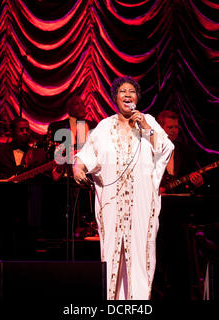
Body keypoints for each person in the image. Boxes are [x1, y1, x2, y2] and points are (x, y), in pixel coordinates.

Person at [73, 76, 174, 300]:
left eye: (132, 92)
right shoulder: (104, 127)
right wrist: (77, 168)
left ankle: (138, 304)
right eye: (122, 92)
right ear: (115, 98)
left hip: (141, 203)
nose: (127, 95)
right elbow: (86, 154)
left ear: (137, 98)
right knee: (111, 255)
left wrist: (146, 128)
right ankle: (112, 303)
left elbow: (165, 148)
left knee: (140, 255)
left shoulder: (148, 121)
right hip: (112, 205)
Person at [46, 96, 97, 181]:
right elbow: (51, 154)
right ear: (68, 109)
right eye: (76, 104)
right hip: (64, 179)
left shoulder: (94, 126)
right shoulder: (56, 127)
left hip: (89, 178)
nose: (81, 106)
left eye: (82, 104)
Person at [0, 117, 48, 182]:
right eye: (21, 130)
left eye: (27, 129)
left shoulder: (35, 154)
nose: (25, 132)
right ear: (12, 132)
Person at [156, 110, 203, 193]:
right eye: (170, 127)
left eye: (176, 127)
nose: (174, 130)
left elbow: (190, 181)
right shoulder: (150, 149)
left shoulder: (186, 150)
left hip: (180, 201)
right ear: (160, 128)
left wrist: (197, 183)